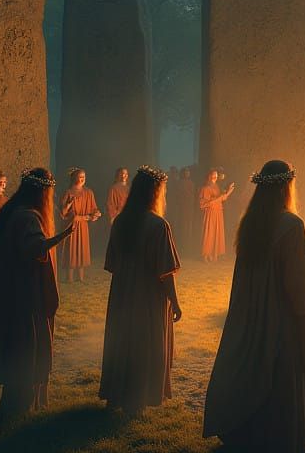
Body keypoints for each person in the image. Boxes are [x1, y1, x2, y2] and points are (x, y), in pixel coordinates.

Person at [203, 159, 305, 453]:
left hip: (250, 315)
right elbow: (299, 286)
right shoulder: (291, 226)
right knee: (279, 373)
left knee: (253, 369)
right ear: (285, 187)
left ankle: (248, 438)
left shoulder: (251, 223)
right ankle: (277, 442)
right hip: (280, 319)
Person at [0, 168, 72, 416]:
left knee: (20, 343)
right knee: (27, 343)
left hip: (14, 288)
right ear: (41, 192)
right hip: (25, 292)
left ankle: (17, 401)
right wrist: (60, 237)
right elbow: (32, 248)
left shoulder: (13, 210)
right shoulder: (27, 217)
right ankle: (19, 404)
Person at [100, 165, 182, 416]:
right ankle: (137, 400)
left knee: (122, 341)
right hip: (148, 295)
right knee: (145, 343)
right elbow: (165, 272)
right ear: (155, 193)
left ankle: (117, 395)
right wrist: (175, 302)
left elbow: (112, 264)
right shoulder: (158, 225)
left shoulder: (121, 222)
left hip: (123, 294)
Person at [60, 167, 101, 283]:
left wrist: (96, 214)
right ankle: (70, 277)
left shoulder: (88, 192)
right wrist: (68, 207)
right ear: (74, 178)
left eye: (84, 177)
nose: (82, 179)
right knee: (71, 249)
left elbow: (93, 208)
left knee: (82, 248)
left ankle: (81, 277)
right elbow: (63, 213)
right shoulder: (68, 193)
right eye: (80, 177)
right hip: (71, 227)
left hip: (83, 227)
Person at [200, 168, 235, 263]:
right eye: (213, 175)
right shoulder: (205, 188)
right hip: (210, 213)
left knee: (216, 232)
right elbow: (203, 204)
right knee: (210, 233)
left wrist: (228, 192)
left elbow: (222, 199)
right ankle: (206, 254)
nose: (215, 177)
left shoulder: (217, 187)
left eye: (216, 175)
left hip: (218, 212)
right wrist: (219, 198)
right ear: (209, 176)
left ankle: (214, 253)